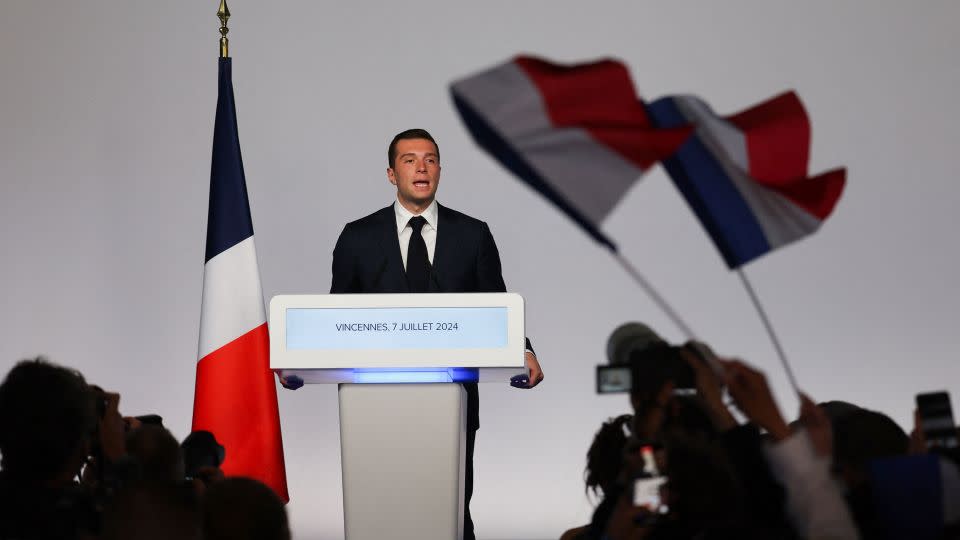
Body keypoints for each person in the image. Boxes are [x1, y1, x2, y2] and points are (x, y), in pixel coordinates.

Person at [284, 128, 544, 539]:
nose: (421, 167)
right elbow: (335, 314)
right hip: (372, 408)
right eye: (409, 160)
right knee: (383, 516)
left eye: (430, 159)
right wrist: (298, 360)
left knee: (452, 514)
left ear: (439, 170)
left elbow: (496, 305)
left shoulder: (473, 234)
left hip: (452, 402)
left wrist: (523, 351)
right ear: (392, 173)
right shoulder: (357, 236)